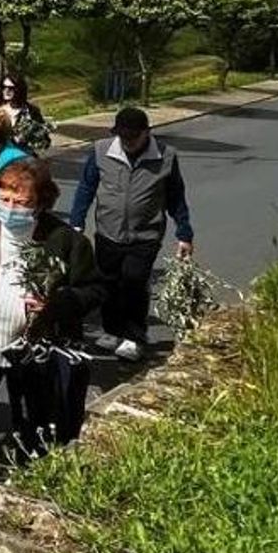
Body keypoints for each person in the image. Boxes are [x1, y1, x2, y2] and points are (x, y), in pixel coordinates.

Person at [0, 158, 106, 513]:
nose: (9, 209)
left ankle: (28, 477)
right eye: (4, 199)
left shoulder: (66, 242)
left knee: (33, 417)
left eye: (21, 202)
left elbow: (92, 291)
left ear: (41, 203)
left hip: (33, 349)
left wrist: (56, 304)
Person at [68, 106, 194, 363]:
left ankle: (135, 336)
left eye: (133, 138)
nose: (127, 143)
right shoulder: (102, 151)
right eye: (123, 137)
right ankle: (112, 332)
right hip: (107, 232)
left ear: (146, 133)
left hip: (145, 235)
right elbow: (86, 188)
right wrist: (77, 222)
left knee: (134, 282)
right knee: (108, 283)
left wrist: (184, 232)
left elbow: (175, 197)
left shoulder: (165, 157)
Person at [0, 72, 49, 152]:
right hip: (3, 156)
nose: (6, 91)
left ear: (19, 89)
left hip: (24, 156)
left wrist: (28, 139)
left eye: (11, 88)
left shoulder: (30, 111)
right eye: (4, 87)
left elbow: (44, 140)